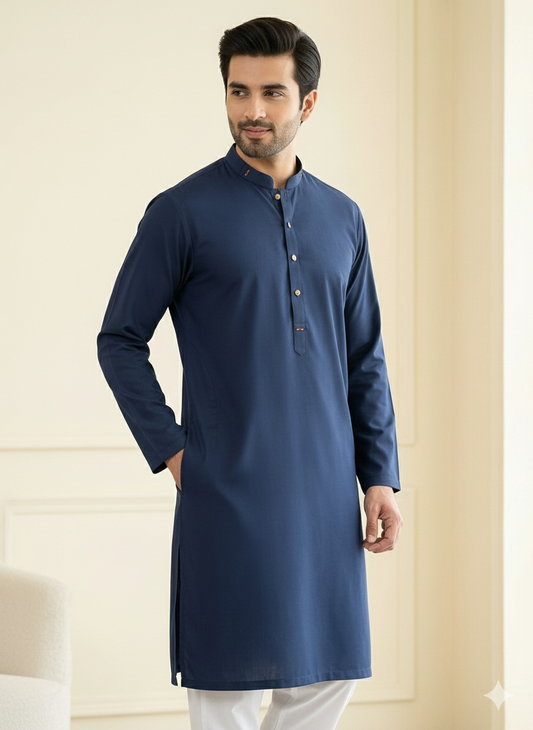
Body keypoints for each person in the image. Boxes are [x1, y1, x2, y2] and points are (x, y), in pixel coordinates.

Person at [97, 16, 404, 730]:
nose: (252, 110)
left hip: (326, 491)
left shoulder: (342, 217)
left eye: (272, 92)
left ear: (308, 102)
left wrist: (379, 478)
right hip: (227, 489)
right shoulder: (181, 212)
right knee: (225, 684)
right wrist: (174, 451)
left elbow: (364, 357)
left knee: (328, 676)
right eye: (238, 91)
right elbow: (119, 339)